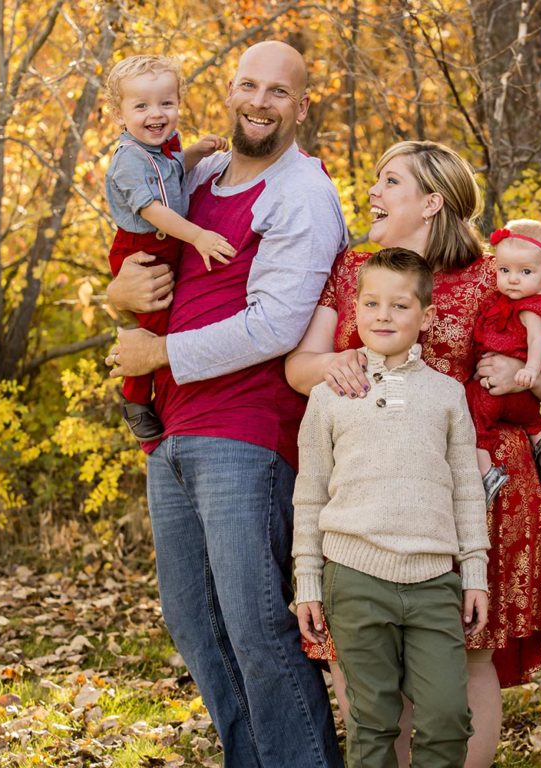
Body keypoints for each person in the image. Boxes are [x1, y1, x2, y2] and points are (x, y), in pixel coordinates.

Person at [284, 140, 541, 768]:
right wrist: (335, 363)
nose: (374, 191)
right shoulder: (354, 269)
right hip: (367, 483)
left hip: (476, 478)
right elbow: (299, 368)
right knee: (365, 654)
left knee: (465, 652)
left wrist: (518, 371)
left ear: (432, 201)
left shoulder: (493, 275)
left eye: (390, 181)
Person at [103, 40, 348, 768]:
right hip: (172, 430)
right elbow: (140, 259)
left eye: (279, 91)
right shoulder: (200, 173)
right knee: (195, 625)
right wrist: (115, 296)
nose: (259, 101)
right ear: (231, 90)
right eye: (248, 85)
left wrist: (162, 354)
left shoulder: (302, 193)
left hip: (246, 428)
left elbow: (276, 324)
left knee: (256, 627)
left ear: (301, 107)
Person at [293, 248, 490, 767]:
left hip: (433, 581)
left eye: (400, 306)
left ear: (426, 317)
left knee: (448, 717)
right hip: (354, 578)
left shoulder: (447, 395)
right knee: (372, 721)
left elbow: (467, 489)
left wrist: (474, 575)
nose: (383, 315)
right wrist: (308, 581)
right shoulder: (329, 396)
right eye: (372, 303)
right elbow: (310, 493)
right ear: (354, 308)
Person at [104, 54, 236, 440]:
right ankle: (136, 399)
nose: (155, 114)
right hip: (143, 249)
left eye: (166, 103)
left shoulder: (164, 147)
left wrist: (198, 151)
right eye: (141, 106)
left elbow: (174, 172)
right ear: (119, 114)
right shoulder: (129, 158)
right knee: (155, 324)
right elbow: (153, 209)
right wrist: (198, 236)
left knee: (177, 316)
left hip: (166, 242)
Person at [471, 219, 541, 508]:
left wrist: (530, 371)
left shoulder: (532, 308)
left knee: (476, 415)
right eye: (504, 270)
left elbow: (538, 342)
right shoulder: (533, 297)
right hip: (524, 399)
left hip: (500, 390)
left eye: (525, 272)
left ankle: (486, 472)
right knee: (531, 418)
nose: (513, 279)